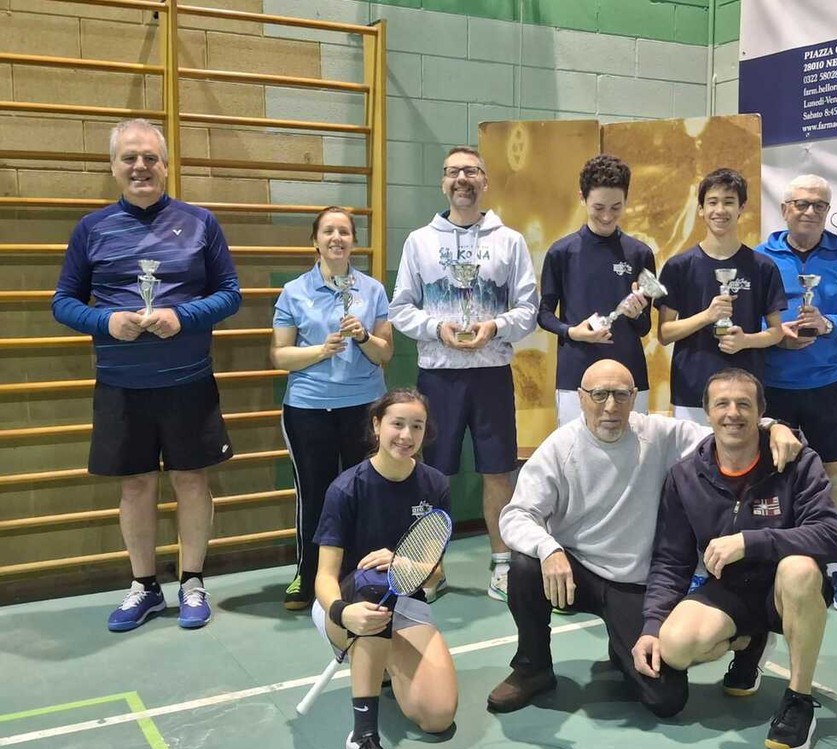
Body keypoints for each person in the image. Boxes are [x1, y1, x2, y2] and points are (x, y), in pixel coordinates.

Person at [487, 360, 803, 716]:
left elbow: (725, 428)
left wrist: (773, 427)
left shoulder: (660, 435)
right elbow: (515, 515)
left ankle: (747, 640)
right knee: (525, 565)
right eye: (599, 395)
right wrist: (549, 549)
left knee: (665, 699)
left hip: (635, 585)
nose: (610, 406)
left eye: (621, 395)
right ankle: (532, 668)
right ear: (581, 398)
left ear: (634, 396)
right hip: (577, 573)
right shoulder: (560, 448)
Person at [51, 118, 240, 632]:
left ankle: (192, 582)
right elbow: (63, 302)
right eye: (129, 158)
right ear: (113, 166)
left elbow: (230, 294)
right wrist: (105, 321)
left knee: (191, 480)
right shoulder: (91, 229)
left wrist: (184, 316)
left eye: (150, 158)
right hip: (122, 385)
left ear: (166, 165)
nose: (140, 166)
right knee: (135, 487)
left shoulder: (201, 222)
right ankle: (145, 587)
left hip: (188, 383)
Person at [636, 368, 837, 749]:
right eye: (722, 404)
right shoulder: (686, 476)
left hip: (787, 591)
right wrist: (652, 624)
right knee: (675, 647)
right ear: (707, 413)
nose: (733, 413)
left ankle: (798, 700)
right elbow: (671, 560)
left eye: (744, 404)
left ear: (761, 414)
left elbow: (832, 537)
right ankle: (750, 642)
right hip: (730, 590)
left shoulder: (798, 461)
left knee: (799, 568)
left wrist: (751, 542)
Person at [389, 145, 539, 603]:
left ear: (484, 181)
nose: (462, 179)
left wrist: (495, 326)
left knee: (499, 471)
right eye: (453, 172)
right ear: (443, 182)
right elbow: (400, 308)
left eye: (471, 171)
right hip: (439, 375)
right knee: (431, 473)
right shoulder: (419, 241)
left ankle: (502, 564)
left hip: (492, 373)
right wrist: (438, 329)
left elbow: (528, 309)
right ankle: (429, 566)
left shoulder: (509, 240)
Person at [757, 174, 837, 614]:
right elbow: (742, 318)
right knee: (769, 475)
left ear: (828, 211)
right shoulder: (760, 258)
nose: (810, 212)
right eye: (801, 204)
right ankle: (771, 565)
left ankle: (833, 567)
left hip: (828, 384)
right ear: (785, 209)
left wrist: (830, 324)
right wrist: (777, 336)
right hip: (772, 385)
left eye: (819, 205)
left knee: (832, 474)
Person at [312, 389, 458, 749]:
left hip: (406, 604)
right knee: (373, 583)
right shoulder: (346, 488)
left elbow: (434, 574)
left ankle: (385, 661)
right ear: (377, 426)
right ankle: (362, 739)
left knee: (437, 716)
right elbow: (324, 576)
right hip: (348, 604)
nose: (406, 435)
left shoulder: (435, 485)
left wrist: (403, 563)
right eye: (397, 424)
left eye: (417, 426)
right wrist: (342, 613)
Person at [271, 207, 393, 611]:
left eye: (344, 231)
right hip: (309, 408)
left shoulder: (372, 290)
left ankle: (362, 573)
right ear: (315, 240)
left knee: (365, 492)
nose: (336, 238)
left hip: (364, 406)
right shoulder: (294, 291)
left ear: (353, 241)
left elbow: (385, 353)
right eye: (328, 231)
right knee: (315, 494)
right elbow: (280, 355)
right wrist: (320, 351)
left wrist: (363, 337)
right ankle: (308, 574)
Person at [655, 168, 788, 425]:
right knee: (694, 451)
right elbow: (665, 333)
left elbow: (776, 332)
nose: (720, 210)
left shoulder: (763, 267)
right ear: (701, 209)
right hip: (692, 390)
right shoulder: (678, 266)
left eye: (729, 202)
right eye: (712, 202)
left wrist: (745, 340)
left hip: (744, 392)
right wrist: (707, 316)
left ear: (741, 208)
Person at [538, 154, 653, 426]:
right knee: (575, 449)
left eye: (616, 207)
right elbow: (544, 314)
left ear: (626, 199)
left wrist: (637, 314)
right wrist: (571, 332)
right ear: (583, 198)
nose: (607, 216)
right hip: (576, 376)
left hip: (629, 375)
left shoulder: (640, 253)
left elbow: (644, 327)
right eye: (598, 207)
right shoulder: (561, 252)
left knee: (634, 448)